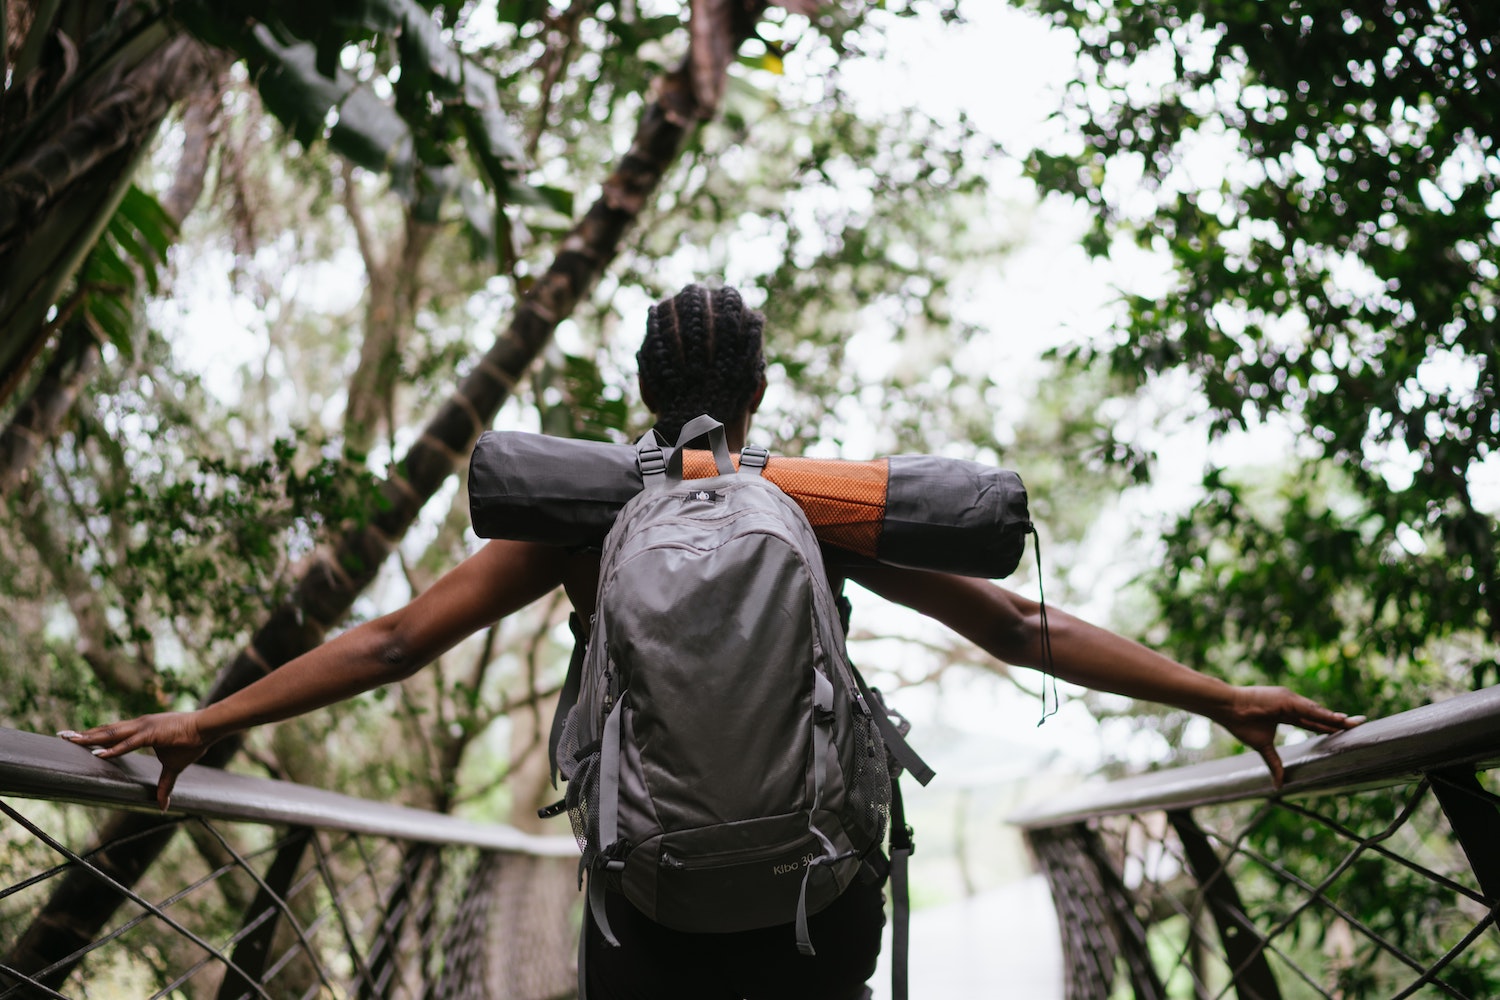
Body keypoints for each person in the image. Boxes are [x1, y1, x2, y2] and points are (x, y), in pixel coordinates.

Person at [61, 284, 1364, 1000]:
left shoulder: (588, 515)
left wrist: (208, 723)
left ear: (640, 390)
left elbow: (397, 642)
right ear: (755, 392)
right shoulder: (818, 509)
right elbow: (1028, 634)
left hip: (648, 898)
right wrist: (1217, 696)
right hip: (821, 892)